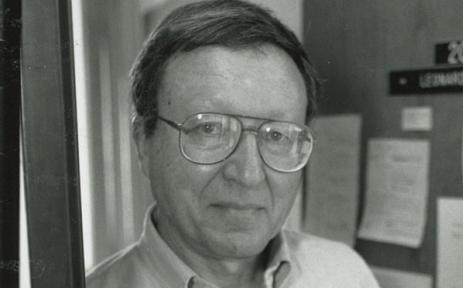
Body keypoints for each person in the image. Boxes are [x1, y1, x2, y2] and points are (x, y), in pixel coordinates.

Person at [85, 1, 380, 287]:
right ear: (143, 144)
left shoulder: (345, 275)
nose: (249, 175)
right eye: (209, 129)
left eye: (277, 135)